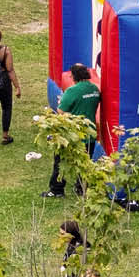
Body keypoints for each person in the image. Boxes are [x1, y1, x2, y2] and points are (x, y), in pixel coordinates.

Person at [44, 62, 99, 196]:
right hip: (90, 134)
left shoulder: (72, 91)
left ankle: (56, 189)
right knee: (85, 163)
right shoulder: (95, 89)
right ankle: (81, 188)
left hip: (72, 134)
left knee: (60, 161)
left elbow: (61, 111)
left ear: (73, 76)